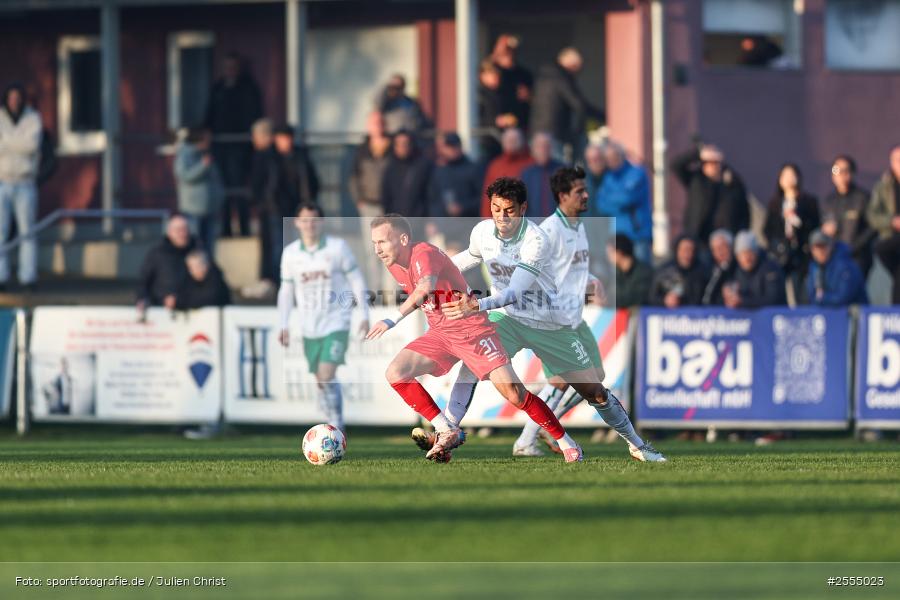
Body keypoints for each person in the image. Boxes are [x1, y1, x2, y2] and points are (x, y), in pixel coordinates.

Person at [436, 177, 665, 462]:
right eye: (496, 208)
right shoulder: (482, 231)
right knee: (472, 363)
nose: (501, 216)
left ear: (523, 208)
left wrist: (477, 305)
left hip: (548, 323)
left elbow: (515, 292)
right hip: (506, 319)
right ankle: (445, 431)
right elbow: (469, 258)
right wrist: (431, 273)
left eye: (508, 209)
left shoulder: (536, 240)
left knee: (595, 391)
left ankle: (637, 445)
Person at [365, 212, 584, 463]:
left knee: (516, 395)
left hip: (471, 330)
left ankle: (566, 442)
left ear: (403, 239)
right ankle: (446, 429)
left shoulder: (423, 253)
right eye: (373, 244)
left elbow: (425, 288)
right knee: (396, 372)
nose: (377, 249)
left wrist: (391, 318)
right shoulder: (393, 264)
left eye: (382, 242)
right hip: (440, 333)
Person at [502, 167, 613, 456]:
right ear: (563, 196)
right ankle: (529, 438)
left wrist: (591, 281)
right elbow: (530, 270)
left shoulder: (578, 226)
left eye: (585, 190)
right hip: (556, 321)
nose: (586, 195)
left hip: (575, 318)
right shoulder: (550, 231)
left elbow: (569, 269)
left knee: (595, 379)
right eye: (579, 192)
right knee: (563, 381)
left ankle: (543, 432)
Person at [278, 203, 370, 433]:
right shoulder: (290, 253)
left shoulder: (337, 248)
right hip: (309, 325)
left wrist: (364, 313)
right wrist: (284, 323)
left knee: (328, 372)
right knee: (321, 378)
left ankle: (336, 424)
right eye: (305, 220)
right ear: (297, 223)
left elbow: (357, 281)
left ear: (322, 222)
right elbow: (286, 290)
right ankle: (331, 417)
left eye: (314, 220)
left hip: (337, 320)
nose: (310, 225)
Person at [204, 53, 263, 237]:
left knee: (239, 188)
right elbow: (209, 117)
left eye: (233, 66)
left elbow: (254, 116)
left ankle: (244, 227)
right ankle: (226, 228)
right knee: (223, 189)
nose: (229, 71)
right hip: (220, 148)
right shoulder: (218, 89)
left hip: (240, 149)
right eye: (226, 67)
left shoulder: (248, 89)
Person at [0, 83, 42, 291]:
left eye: (18, 98)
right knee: (1, 231)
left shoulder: (32, 118)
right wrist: (18, 143)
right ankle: (1, 276)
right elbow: (23, 145)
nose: (14, 101)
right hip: (3, 181)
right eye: (11, 98)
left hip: (25, 182)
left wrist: (7, 142)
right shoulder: (1, 118)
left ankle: (28, 277)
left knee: (27, 232)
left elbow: (32, 146)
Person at [529, 47, 604, 160]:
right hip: (554, 133)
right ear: (572, 65)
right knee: (557, 170)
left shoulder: (543, 75)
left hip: (536, 131)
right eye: (577, 69)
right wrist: (603, 116)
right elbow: (578, 104)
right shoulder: (561, 77)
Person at [671, 143, 749, 245]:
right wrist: (699, 153)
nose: (713, 167)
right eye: (709, 163)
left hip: (725, 239)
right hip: (699, 235)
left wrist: (740, 233)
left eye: (716, 163)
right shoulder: (696, 180)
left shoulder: (732, 183)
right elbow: (675, 165)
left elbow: (744, 211)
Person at [763, 163, 820, 303]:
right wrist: (777, 245)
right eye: (785, 176)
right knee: (777, 291)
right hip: (780, 254)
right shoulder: (775, 204)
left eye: (792, 175)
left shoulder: (809, 202)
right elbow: (767, 229)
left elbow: (815, 226)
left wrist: (797, 220)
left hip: (801, 254)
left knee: (801, 292)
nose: (789, 179)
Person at [271, 123, 320, 274]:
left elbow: (312, 181)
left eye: (288, 138)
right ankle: (282, 278)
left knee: (304, 242)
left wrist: (309, 203)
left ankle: (302, 274)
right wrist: (267, 204)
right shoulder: (269, 157)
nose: (286, 141)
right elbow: (263, 185)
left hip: (300, 207)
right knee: (279, 246)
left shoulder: (301, 156)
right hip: (277, 208)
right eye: (283, 138)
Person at [596, 140, 652, 263]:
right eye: (608, 158)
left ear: (622, 156)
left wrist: (611, 199)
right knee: (618, 277)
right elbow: (601, 204)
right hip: (617, 235)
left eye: (614, 157)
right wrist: (619, 200)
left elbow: (628, 199)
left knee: (641, 273)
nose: (611, 161)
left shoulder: (637, 173)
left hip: (637, 234)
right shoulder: (608, 177)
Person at [820, 155, 874, 277]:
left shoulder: (862, 198)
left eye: (846, 171)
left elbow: (872, 228)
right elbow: (823, 226)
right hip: (835, 257)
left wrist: (854, 246)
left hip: (858, 257)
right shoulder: (829, 201)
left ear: (852, 173)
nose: (841, 175)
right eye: (837, 171)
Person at [427, 131, 481, 250]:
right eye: (448, 147)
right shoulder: (440, 171)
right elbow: (433, 198)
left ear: (460, 147)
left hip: (468, 227)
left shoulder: (472, 169)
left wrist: (463, 207)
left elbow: (482, 198)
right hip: (445, 228)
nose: (451, 150)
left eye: (454, 146)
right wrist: (433, 221)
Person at [173, 127, 224, 254]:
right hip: (193, 210)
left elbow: (216, 179)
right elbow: (185, 176)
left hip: (209, 208)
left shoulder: (206, 154)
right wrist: (203, 166)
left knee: (209, 245)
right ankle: (195, 271)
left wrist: (220, 197)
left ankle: (208, 271)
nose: (209, 142)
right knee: (194, 244)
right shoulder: (184, 155)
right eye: (206, 139)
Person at [136, 214, 198, 316]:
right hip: (162, 313)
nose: (182, 233)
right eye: (178, 230)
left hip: (195, 313)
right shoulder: (157, 254)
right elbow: (143, 281)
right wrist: (142, 299)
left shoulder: (198, 251)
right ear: (169, 232)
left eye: (185, 229)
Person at [245, 117, 279, 298]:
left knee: (273, 246)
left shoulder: (266, 156)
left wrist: (258, 201)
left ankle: (272, 282)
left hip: (270, 208)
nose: (253, 140)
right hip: (267, 208)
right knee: (269, 245)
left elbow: (260, 184)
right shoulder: (270, 155)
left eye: (255, 136)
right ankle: (269, 281)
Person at [869, 145, 900, 303]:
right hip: (890, 239)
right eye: (897, 160)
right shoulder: (883, 187)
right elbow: (873, 216)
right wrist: (891, 221)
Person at [724, 230, 786, 309]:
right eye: (742, 254)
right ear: (737, 256)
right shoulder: (735, 269)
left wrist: (742, 301)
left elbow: (773, 299)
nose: (747, 258)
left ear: (756, 253)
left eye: (749, 252)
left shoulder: (770, 268)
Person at [806, 229, 868, 307]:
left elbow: (843, 298)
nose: (820, 252)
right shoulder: (814, 267)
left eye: (823, 247)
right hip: (826, 314)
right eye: (816, 248)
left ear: (830, 247)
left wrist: (822, 298)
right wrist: (820, 298)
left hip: (854, 315)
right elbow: (812, 296)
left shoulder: (845, 264)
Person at [480, 128, 533, 217]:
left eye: (515, 140)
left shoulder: (531, 164)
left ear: (522, 142)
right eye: (509, 140)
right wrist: (486, 219)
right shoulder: (496, 165)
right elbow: (487, 196)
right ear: (503, 143)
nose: (512, 143)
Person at [381, 130, 432, 220]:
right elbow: (386, 196)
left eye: (405, 143)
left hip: (419, 221)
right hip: (397, 221)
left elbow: (430, 194)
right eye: (399, 144)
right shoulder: (390, 168)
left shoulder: (422, 166)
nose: (402, 147)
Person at [649, 236, 708, 307]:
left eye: (690, 250)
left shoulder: (703, 272)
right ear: (677, 251)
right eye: (684, 250)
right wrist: (664, 300)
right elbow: (651, 297)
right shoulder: (664, 271)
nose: (687, 254)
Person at [491, 34, 533, 130]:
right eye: (506, 51)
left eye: (511, 51)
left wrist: (528, 96)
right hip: (496, 126)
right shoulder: (493, 71)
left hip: (520, 123)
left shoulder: (523, 74)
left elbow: (533, 98)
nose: (509, 54)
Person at [521, 132, 564, 219]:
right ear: (533, 149)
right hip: (534, 226)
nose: (543, 150)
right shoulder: (527, 174)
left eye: (546, 146)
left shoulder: (562, 171)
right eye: (539, 146)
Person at [606, 234, 652, 308]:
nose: (608, 256)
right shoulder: (617, 273)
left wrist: (608, 301)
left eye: (610, 252)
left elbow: (636, 298)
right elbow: (610, 293)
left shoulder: (643, 273)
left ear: (619, 252)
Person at [701, 229, 736, 305]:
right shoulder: (708, 269)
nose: (719, 252)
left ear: (731, 247)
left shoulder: (739, 268)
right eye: (715, 249)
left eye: (722, 247)